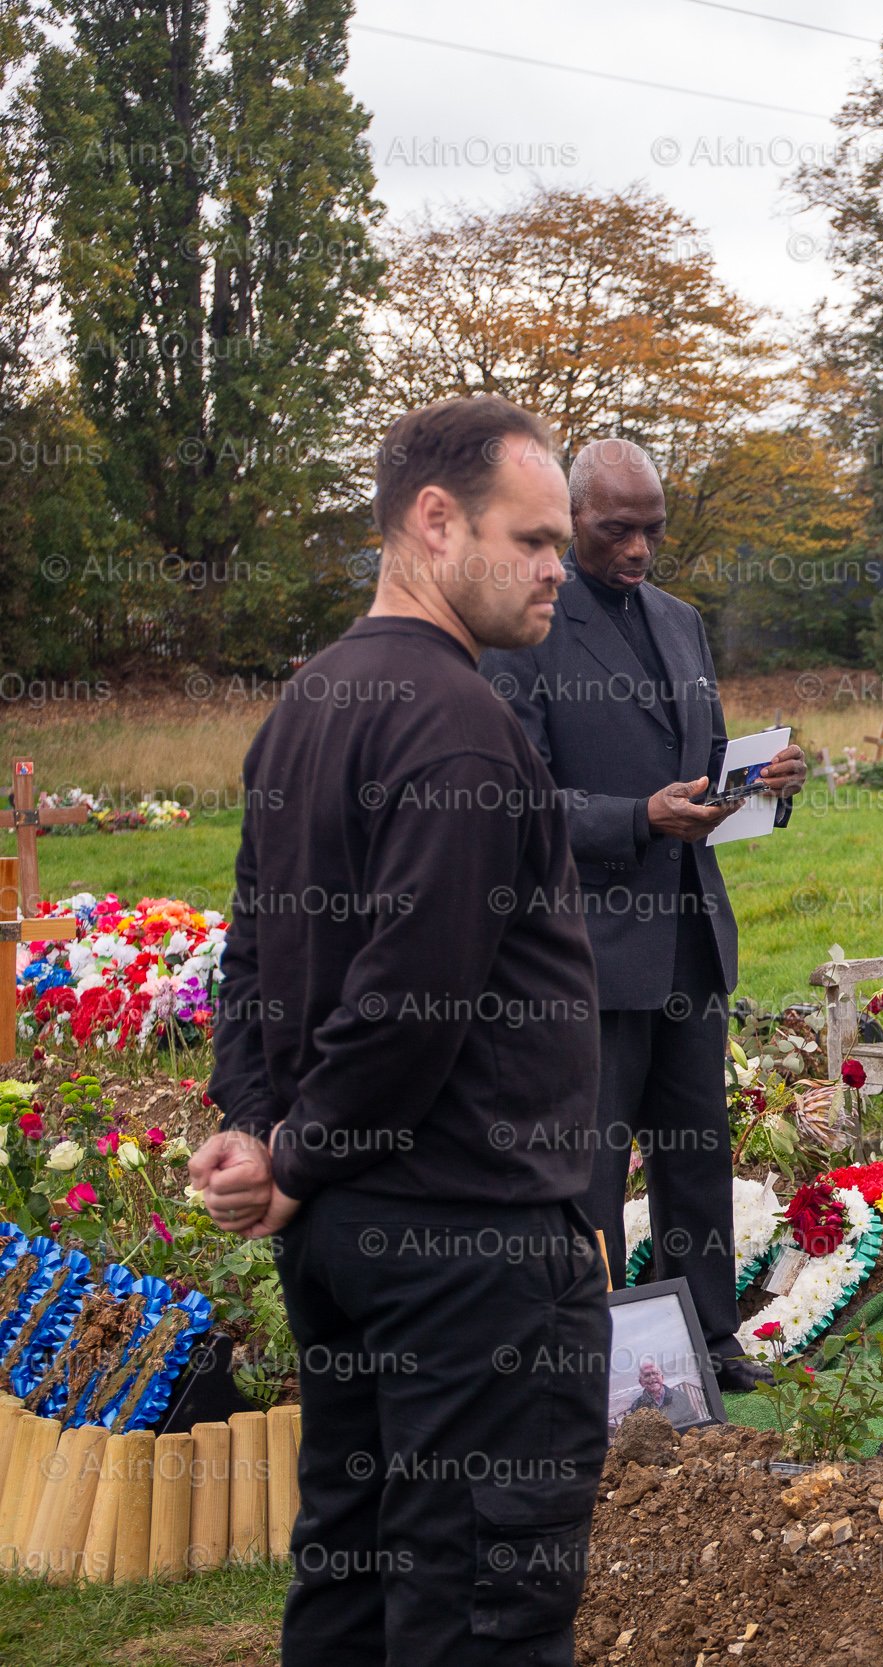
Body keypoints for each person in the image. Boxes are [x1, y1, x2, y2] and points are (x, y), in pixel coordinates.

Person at [192, 394, 607, 1663]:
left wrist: (261, 1133)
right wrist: (293, 1153)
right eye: (532, 539)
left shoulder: (309, 702)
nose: (557, 570)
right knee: (476, 1601)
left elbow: (254, 957)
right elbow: (408, 1002)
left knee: (358, 1578)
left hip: (351, 1240)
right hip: (465, 1248)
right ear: (436, 521)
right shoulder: (460, 726)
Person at [479, 439, 803, 1392]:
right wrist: (636, 818)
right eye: (617, 528)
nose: (638, 548)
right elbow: (516, 803)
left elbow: (701, 770)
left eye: (652, 528)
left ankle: (709, 1336)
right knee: (587, 1167)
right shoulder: (524, 633)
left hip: (690, 939)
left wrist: (765, 782)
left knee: (696, 1149)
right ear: (572, 516)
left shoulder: (680, 622)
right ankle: (576, 1355)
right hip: (586, 951)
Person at [620, 1358, 700, 1429]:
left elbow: (695, 1424)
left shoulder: (682, 1397)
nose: (652, 1377)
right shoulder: (636, 1407)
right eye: (647, 1375)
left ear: (662, 1377)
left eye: (655, 1373)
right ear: (641, 1382)